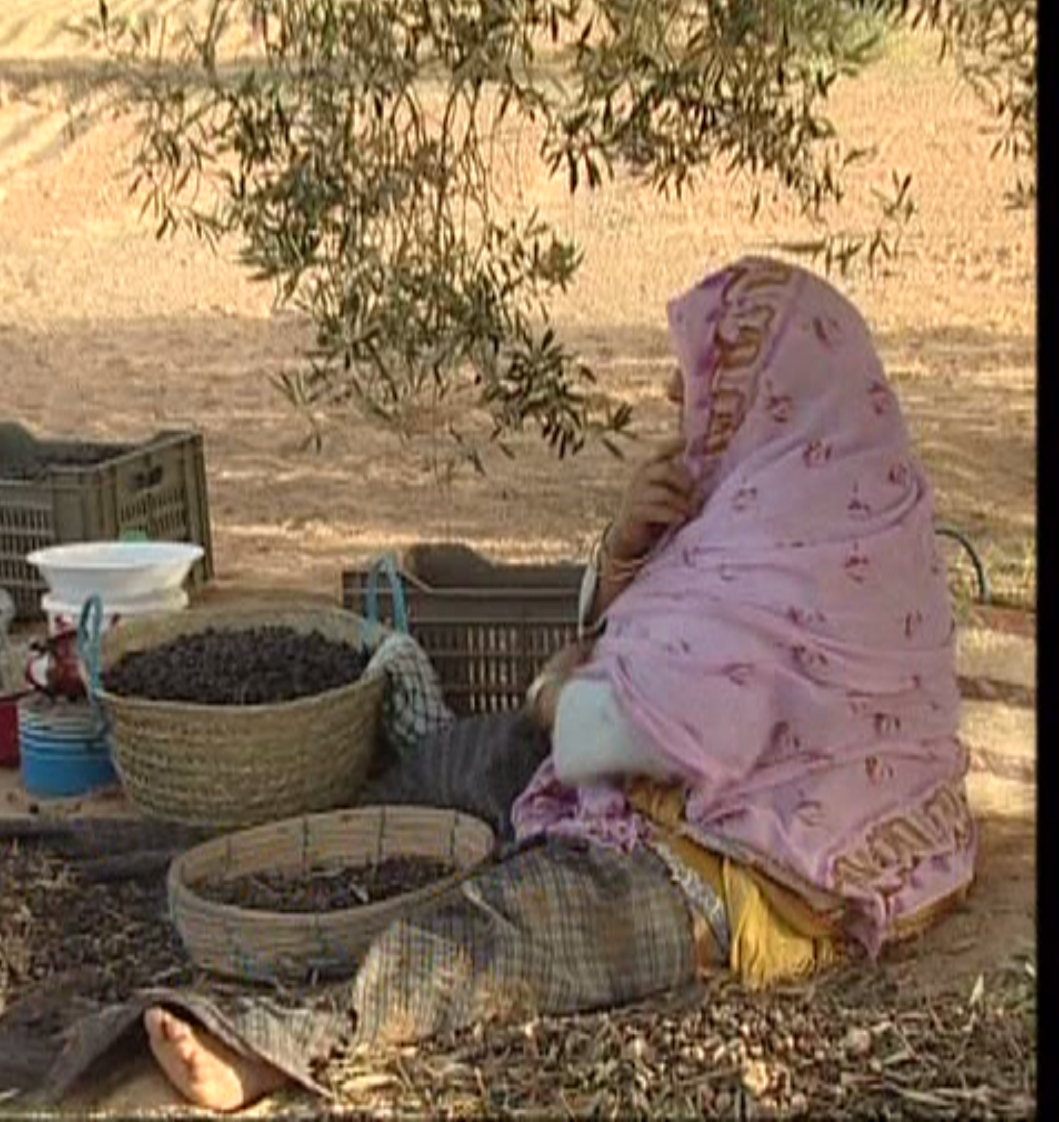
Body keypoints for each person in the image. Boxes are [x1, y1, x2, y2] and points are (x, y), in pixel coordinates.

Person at [124, 255, 975, 1111]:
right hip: (675, 788)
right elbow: (646, 642)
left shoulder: (825, 538)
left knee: (516, 926)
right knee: (461, 761)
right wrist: (624, 549)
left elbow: (617, 731)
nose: (682, 404)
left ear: (779, 392)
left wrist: (549, 698)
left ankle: (288, 1042)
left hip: (757, 870)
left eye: (708, 381)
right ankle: (292, 870)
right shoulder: (772, 490)